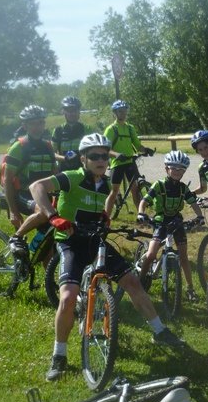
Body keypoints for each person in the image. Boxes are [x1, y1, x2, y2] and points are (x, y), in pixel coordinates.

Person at [29, 133, 184, 381]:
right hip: (71, 243)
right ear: (83, 159)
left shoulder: (104, 182)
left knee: (132, 282)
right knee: (68, 297)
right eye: (94, 156)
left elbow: (94, 204)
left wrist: (103, 216)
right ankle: (59, 355)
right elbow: (36, 187)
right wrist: (52, 215)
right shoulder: (72, 178)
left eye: (104, 155)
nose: (101, 160)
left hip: (96, 240)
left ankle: (159, 330)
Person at [137, 150, 205, 302]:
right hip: (160, 221)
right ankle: (141, 282)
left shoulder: (182, 188)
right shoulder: (158, 185)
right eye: (173, 168)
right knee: (151, 253)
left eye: (181, 169)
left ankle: (190, 289)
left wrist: (199, 216)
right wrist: (141, 212)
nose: (177, 171)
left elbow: (193, 203)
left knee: (184, 256)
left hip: (176, 222)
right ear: (166, 168)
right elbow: (144, 201)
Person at [5, 105, 57, 254]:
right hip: (23, 194)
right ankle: (16, 238)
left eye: (41, 122)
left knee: (48, 243)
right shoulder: (18, 147)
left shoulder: (48, 147)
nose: (37, 127)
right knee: (43, 211)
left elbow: (55, 174)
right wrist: (13, 211)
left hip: (43, 195)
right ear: (25, 125)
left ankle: (47, 275)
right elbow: (7, 181)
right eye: (33, 123)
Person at [104, 100, 154, 215]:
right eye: (120, 111)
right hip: (117, 164)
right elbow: (105, 149)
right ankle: (106, 219)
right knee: (114, 192)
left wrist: (146, 150)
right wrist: (117, 155)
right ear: (115, 113)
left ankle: (141, 215)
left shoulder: (130, 128)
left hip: (130, 162)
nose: (123, 114)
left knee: (135, 190)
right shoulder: (111, 129)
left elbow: (137, 145)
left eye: (125, 111)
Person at [51, 96, 92, 172]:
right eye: (69, 111)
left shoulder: (87, 129)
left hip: (83, 171)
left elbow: (94, 150)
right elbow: (52, 153)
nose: (72, 113)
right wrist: (65, 158)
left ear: (79, 111)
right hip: (64, 171)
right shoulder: (58, 130)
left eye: (75, 110)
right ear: (64, 112)